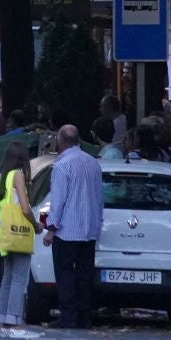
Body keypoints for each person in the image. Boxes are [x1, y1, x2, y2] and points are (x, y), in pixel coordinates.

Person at [45, 124, 103, 329]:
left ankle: (68, 315)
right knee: (85, 274)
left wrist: (51, 228)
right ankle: (84, 316)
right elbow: (99, 197)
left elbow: (58, 200)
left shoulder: (62, 166)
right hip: (89, 229)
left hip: (67, 230)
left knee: (65, 273)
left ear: (60, 141)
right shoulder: (93, 163)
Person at [0, 142, 45, 340]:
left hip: (5, 233)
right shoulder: (18, 175)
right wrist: (36, 225)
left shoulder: (0, 178)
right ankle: (14, 323)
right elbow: (24, 207)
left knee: (8, 277)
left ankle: (4, 321)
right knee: (19, 278)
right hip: (19, 232)